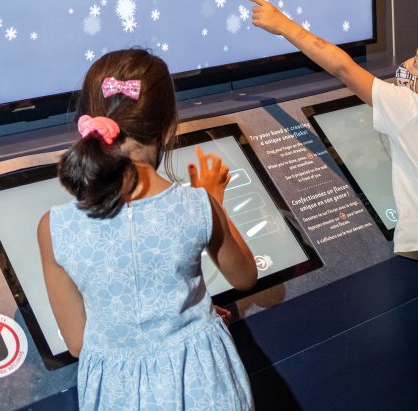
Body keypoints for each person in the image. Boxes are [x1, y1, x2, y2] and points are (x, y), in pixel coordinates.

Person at [245, 0, 418, 411]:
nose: (406, 66)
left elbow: (340, 65)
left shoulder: (412, 110)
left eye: (416, 64)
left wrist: (284, 26)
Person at [37, 49, 258, 410]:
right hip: (205, 387)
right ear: (168, 126)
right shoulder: (197, 205)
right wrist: (213, 200)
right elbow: (246, 276)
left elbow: (78, 342)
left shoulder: (53, 227)